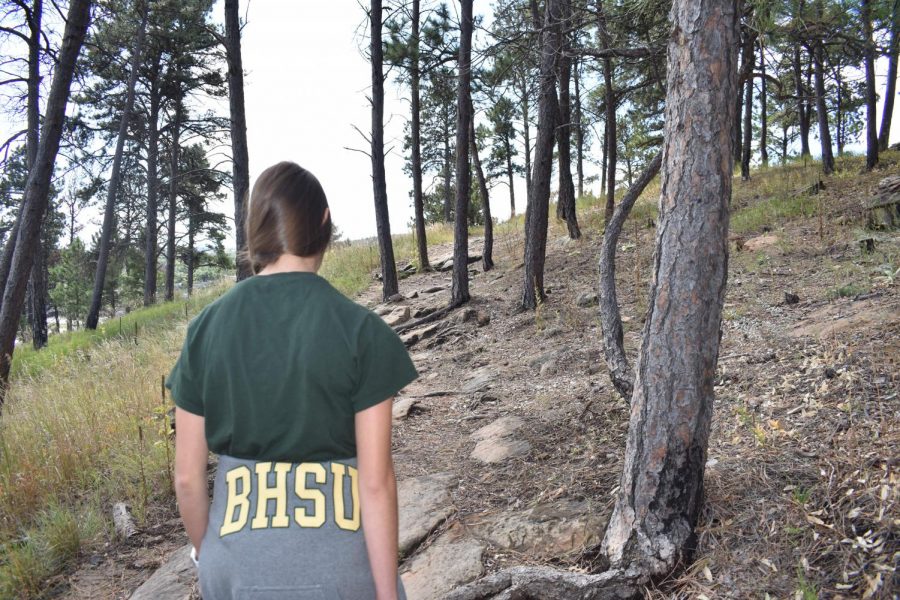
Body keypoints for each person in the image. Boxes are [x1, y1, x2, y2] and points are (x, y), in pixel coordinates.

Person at [166, 161, 418, 600]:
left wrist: (208, 556)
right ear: (324, 223)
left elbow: (187, 477)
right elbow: (376, 483)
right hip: (340, 568)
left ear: (256, 230)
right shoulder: (361, 331)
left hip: (236, 566)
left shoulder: (205, 329)